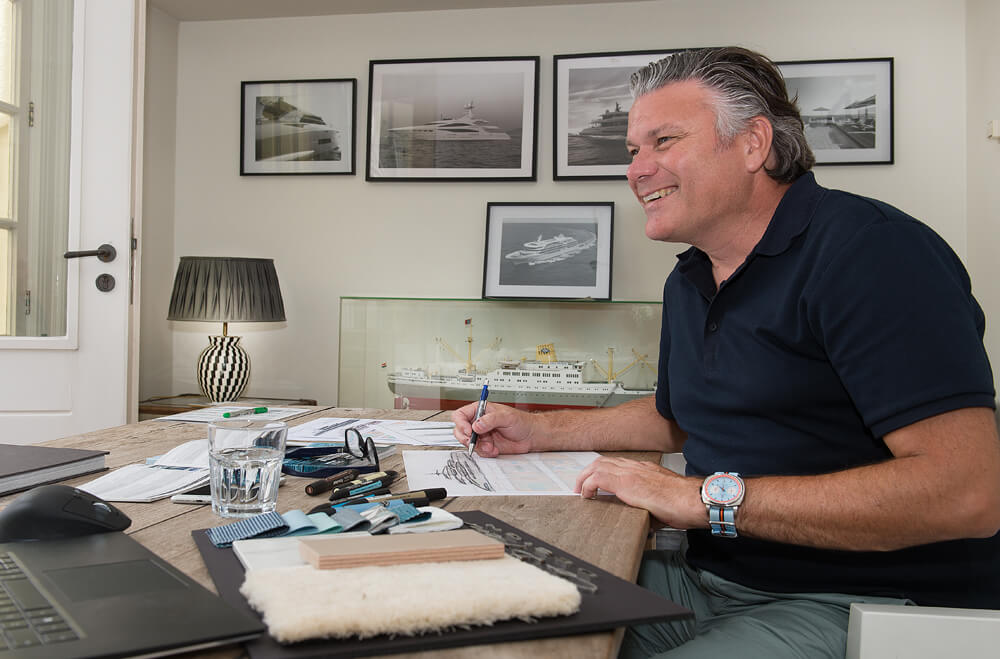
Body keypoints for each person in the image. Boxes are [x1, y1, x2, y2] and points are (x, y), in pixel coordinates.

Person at [452, 46, 1000, 658]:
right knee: (484, 615)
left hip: (857, 599)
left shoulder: (874, 254)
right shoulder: (690, 277)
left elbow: (966, 492)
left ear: (753, 144)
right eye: (633, 151)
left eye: (664, 141)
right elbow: (681, 416)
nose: (637, 170)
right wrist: (539, 430)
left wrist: (701, 497)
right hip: (707, 576)